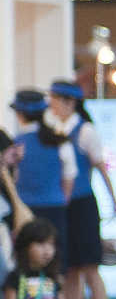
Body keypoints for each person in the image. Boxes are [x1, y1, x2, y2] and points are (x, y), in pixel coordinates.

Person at [47, 82, 116, 299]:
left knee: (90, 268)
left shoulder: (86, 131)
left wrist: (115, 201)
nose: (51, 105)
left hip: (83, 205)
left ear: (70, 102)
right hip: (64, 206)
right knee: (70, 269)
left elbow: (101, 168)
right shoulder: (56, 130)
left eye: (55, 100)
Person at [11, 91, 74, 275]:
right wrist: (61, 200)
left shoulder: (16, 144)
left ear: (19, 114)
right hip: (55, 208)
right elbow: (69, 177)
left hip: (24, 212)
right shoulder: (60, 141)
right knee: (55, 262)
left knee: (25, 263)